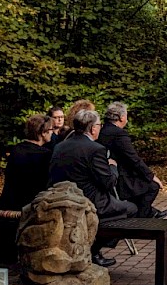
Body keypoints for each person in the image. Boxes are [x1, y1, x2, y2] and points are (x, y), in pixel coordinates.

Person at [48, 107, 137, 267]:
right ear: (92, 128)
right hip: (91, 202)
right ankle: (94, 250)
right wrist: (113, 167)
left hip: (61, 197)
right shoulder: (96, 149)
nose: (101, 128)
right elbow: (108, 182)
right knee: (131, 208)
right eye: (99, 125)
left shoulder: (60, 146)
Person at [98, 102, 167, 219]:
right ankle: (140, 218)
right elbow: (134, 159)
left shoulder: (102, 130)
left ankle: (150, 212)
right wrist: (151, 176)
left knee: (141, 188)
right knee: (153, 186)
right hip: (119, 178)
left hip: (108, 175)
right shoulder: (119, 134)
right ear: (122, 117)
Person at [0, 114, 53, 215]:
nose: (52, 132)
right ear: (43, 132)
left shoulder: (17, 149)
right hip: (28, 208)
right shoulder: (45, 154)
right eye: (51, 129)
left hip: (7, 203)